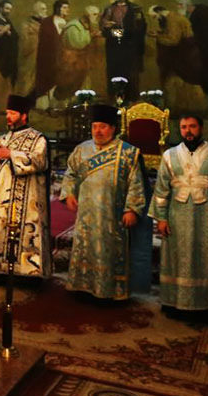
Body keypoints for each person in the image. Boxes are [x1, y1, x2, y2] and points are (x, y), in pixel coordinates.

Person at [149, 115, 208, 313]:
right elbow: (161, 190)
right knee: (176, 259)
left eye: (192, 126)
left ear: (201, 128)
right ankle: (174, 303)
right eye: (183, 127)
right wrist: (161, 218)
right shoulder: (169, 155)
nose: (188, 131)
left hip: (207, 218)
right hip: (176, 218)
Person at [60, 104, 147, 300]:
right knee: (85, 249)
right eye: (94, 126)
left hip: (112, 216)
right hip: (86, 215)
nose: (97, 131)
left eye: (103, 127)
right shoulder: (81, 150)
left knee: (109, 252)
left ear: (113, 128)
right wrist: (69, 194)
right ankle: (83, 286)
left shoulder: (128, 152)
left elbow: (136, 184)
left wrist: (132, 209)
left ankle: (109, 291)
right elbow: (70, 174)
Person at [0, 94, 51, 279]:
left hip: (29, 198)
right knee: (1, 230)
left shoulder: (38, 138)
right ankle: (1, 270)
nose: (8, 117)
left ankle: (29, 273)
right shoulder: (2, 139)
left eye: (12, 113)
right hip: (4, 195)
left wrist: (11, 154)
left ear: (23, 115)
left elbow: (39, 161)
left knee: (28, 233)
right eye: (7, 113)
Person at [100, 0, 146, 100]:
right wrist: (106, 26)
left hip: (130, 47)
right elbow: (103, 29)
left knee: (130, 73)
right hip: (113, 48)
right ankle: (115, 99)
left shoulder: (135, 9)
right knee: (114, 72)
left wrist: (119, 33)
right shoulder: (109, 9)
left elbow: (140, 28)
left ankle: (131, 99)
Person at [55, 6, 101, 103]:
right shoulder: (73, 26)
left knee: (82, 83)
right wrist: (91, 35)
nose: (97, 17)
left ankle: (81, 102)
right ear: (87, 15)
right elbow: (76, 43)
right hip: (70, 60)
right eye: (94, 14)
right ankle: (64, 104)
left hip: (80, 61)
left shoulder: (85, 25)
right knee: (69, 84)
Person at [34, 0, 69, 109]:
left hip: (62, 56)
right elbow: (44, 40)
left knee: (61, 79)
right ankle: (45, 106)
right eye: (64, 7)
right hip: (48, 56)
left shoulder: (66, 22)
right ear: (58, 8)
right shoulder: (47, 22)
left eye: (67, 7)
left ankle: (57, 105)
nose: (67, 10)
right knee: (48, 79)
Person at [14, 1, 47, 98]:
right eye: (43, 9)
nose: (46, 11)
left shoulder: (46, 25)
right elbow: (24, 45)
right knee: (27, 84)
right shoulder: (26, 25)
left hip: (42, 59)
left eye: (45, 9)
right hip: (30, 60)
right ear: (36, 11)